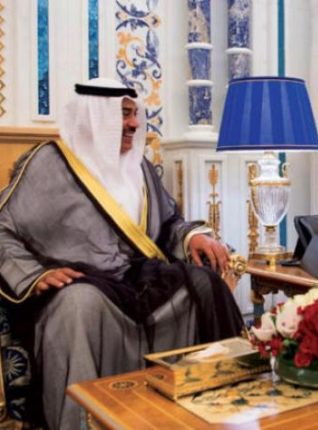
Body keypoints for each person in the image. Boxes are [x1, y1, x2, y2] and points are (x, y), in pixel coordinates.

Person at [0, 78, 245, 429]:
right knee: (80, 304)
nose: (133, 124)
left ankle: (209, 410)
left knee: (204, 284)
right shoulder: (48, 164)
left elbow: (167, 224)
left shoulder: (138, 166)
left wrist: (191, 236)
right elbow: (3, 228)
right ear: (94, 117)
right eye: (123, 115)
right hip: (82, 285)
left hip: (138, 279)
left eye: (134, 114)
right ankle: (85, 421)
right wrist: (35, 275)